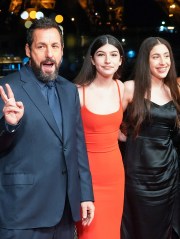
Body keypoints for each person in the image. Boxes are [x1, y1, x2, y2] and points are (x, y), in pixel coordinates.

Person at [0, 17, 95, 239]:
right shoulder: (7, 88)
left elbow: (77, 146)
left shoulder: (69, 90)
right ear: (28, 50)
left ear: (62, 50)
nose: (49, 53)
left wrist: (85, 195)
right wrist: (9, 126)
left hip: (64, 212)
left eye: (54, 46)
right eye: (41, 46)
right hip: (22, 211)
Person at [121, 37, 180, 239]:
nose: (163, 62)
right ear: (145, 61)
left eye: (166, 56)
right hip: (137, 176)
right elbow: (110, 128)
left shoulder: (176, 89)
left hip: (169, 175)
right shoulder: (129, 88)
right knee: (140, 228)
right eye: (156, 56)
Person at [74, 34, 125, 239]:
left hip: (115, 175)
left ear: (120, 60)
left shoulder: (122, 88)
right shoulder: (78, 93)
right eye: (101, 54)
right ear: (92, 60)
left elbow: (115, 129)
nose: (107, 60)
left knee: (112, 233)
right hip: (87, 179)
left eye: (113, 55)